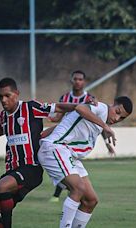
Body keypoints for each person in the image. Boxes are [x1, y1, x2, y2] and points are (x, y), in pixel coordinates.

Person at [0, 78, 111, 228]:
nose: (3, 100)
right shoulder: (2, 117)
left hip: (31, 168)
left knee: (2, 187)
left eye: (7, 96)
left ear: (17, 93)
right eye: (0, 96)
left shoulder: (30, 108)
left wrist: (81, 105)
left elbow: (59, 108)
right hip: (12, 171)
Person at [38, 96, 132, 228]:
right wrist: (104, 126)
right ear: (112, 104)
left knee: (90, 200)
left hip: (68, 153)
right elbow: (80, 107)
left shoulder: (101, 119)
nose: (117, 119)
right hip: (55, 147)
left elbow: (65, 124)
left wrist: (41, 135)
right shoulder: (102, 108)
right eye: (117, 112)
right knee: (78, 188)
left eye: (122, 118)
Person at [48, 70, 114, 203]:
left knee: (69, 170)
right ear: (71, 81)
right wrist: (48, 116)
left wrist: (107, 143)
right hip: (63, 136)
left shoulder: (90, 99)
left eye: (80, 79)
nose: (78, 82)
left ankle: (65, 195)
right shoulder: (65, 98)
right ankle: (66, 195)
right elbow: (58, 118)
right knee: (67, 168)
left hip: (78, 140)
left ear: (84, 82)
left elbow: (98, 125)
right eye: (75, 79)